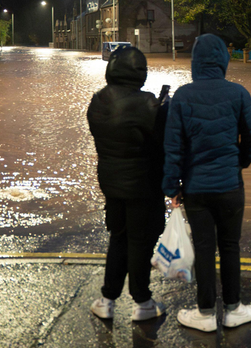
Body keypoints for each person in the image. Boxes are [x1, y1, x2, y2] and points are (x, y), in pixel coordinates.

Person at [163, 34, 251, 332]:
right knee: (230, 246)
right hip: (231, 185)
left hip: (196, 189)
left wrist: (171, 188)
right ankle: (233, 309)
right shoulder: (239, 93)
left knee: (205, 248)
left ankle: (205, 314)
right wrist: (240, 162)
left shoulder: (182, 96)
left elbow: (172, 148)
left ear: (194, 62)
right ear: (223, 60)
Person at [87, 46, 170, 322]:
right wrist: (165, 110)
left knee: (119, 239)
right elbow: (162, 144)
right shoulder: (148, 103)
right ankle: (142, 301)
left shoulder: (98, 100)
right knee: (140, 242)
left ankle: (107, 299)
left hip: (111, 184)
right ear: (140, 73)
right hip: (143, 186)